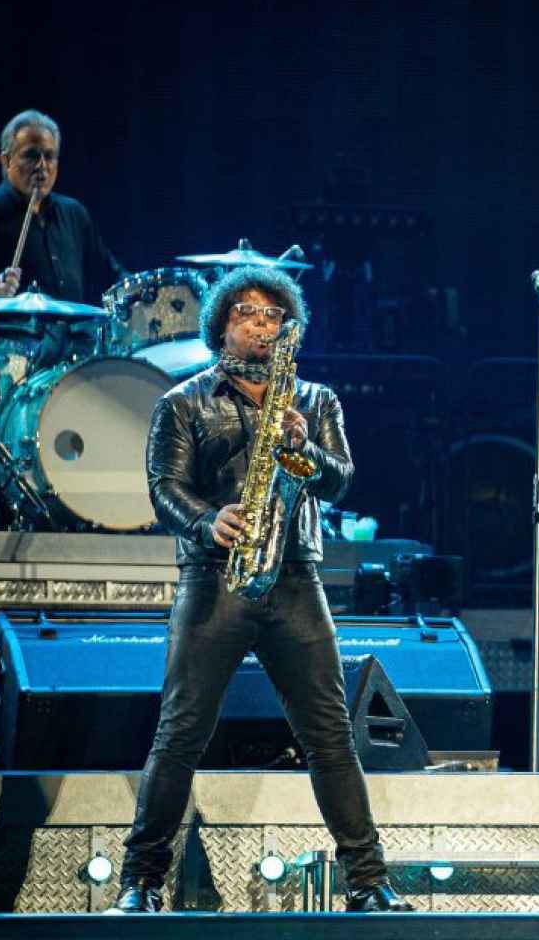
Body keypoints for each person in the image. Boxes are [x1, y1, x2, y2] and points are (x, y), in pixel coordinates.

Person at [109, 267, 410, 914]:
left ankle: (368, 880)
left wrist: (300, 448)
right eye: (246, 312)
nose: (259, 323)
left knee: (329, 734)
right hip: (215, 577)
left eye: (272, 316)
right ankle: (139, 881)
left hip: (295, 576)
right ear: (221, 323)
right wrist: (205, 519)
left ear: (287, 330)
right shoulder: (184, 401)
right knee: (181, 732)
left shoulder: (316, 401)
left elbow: (337, 483)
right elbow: (164, 489)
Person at [0, 109, 124, 313]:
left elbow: (110, 275)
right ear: (6, 160)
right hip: (4, 340)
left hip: (72, 342)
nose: (42, 166)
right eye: (31, 155)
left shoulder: (74, 214)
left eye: (50, 156)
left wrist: (142, 292)